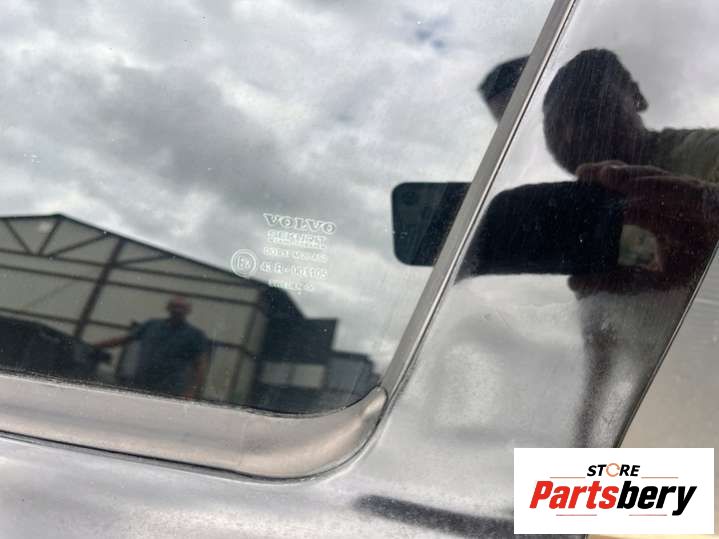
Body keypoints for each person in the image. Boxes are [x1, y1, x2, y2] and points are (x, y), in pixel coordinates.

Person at [94, 296, 209, 399]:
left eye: (182, 307)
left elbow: (200, 366)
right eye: (174, 306)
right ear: (168, 308)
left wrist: (191, 392)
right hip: (141, 383)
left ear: (188, 311)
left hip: (171, 389)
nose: (177, 310)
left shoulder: (195, 335)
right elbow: (124, 339)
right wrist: (94, 346)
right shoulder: (152, 325)